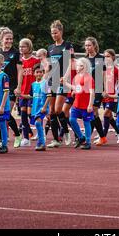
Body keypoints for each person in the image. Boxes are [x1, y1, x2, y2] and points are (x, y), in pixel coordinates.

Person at [46, 20, 75, 148]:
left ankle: (66, 133)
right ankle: (56, 139)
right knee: (51, 111)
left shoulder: (67, 45)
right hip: (52, 81)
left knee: (58, 110)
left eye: (56, 33)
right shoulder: (50, 48)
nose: (54, 35)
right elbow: (49, 66)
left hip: (62, 81)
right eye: (52, 33)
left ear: (61, 32)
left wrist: (66, 77)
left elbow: (70, 63)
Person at [0, 27, 23, 147]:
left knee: (5, 112)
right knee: (0, 114)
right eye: (7, 39)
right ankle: (2, 140)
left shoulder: (16, 53)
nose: (9, 41)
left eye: (11, 39)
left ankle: (16, 135)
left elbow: (20, 70)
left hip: (11, 86)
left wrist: (19, 87)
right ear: (1, 39)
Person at [63, 58, 95, 150]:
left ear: (86, 66)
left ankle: (88, 141)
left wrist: (90, 105)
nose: (79, 67)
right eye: (78, 65)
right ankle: (81, 137)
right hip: (76, 104)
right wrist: (66, 84)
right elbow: (76, 88)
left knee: (86, 123)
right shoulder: (76, 76)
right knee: (72, 120)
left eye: (81, 65)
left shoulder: (89, 77)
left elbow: (92, 92)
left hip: (85, 105)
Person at [84, 37, 108, 146]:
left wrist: (105, 89)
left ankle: (100, 136)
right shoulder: (84, 59)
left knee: (93, 110)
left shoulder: (100, 59)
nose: (87, 47)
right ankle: (100, 136)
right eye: (86, 45)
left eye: (89, 45)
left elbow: (104, 76)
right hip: (86, 89)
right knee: (93, 113)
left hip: (97, 89)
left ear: (94, 46)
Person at [22, 64, 51, 151]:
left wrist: (45, 107)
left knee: (38, 123)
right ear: (34, 74)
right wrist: (21, 95)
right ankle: (40, 142)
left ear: (43, 73)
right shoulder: (33, 84)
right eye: (37, 72)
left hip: (42, 107)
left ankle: (42, 143)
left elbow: (49, 96)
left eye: (40, 72)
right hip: (35, 107)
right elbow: (31, 96)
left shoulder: (45, 83)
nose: (39, 74)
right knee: (37, 124)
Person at [17, 38, 40, 147]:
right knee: (23, 114)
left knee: (32, 114)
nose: (21, 48)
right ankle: (26, 137)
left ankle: (40, 133)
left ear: (29, 47)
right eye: (20, 46)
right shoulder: (19, 61)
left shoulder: (35, 61)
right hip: (22, 91)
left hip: (33, 92)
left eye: (24, 46)